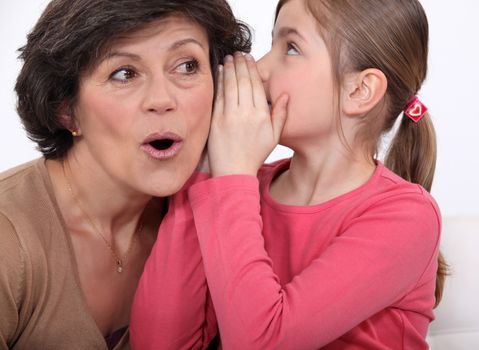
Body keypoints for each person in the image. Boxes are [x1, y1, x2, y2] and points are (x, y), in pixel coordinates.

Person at [131, 0, 447, 348]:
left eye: (291, 48)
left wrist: (233, 177)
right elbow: (157, 343)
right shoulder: (236, 188)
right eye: (272, 44)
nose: (261, 68)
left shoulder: (407, 217)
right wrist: (208, 166)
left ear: (360, 91)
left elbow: (261, 342)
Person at [0, 0, 250, 349]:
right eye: (124, 73)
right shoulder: (9, 237)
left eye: (187, 65)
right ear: (65, 109)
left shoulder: (224, 219)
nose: (162, 99)